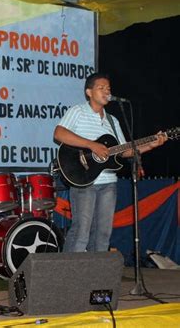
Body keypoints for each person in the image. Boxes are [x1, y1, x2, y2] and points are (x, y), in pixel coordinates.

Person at [53, 72, 166, 252]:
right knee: (81, 232)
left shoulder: (112, 121)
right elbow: (59, 134)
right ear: (89, 92)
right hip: (84, 181)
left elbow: (124, 151)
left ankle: (97, 277)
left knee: (103, 234)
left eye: (108, 89)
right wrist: (92, 145)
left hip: (108, 184)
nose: (107, 91)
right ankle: (69, 276)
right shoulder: (78, 111)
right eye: (101, 88)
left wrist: (150, 145)